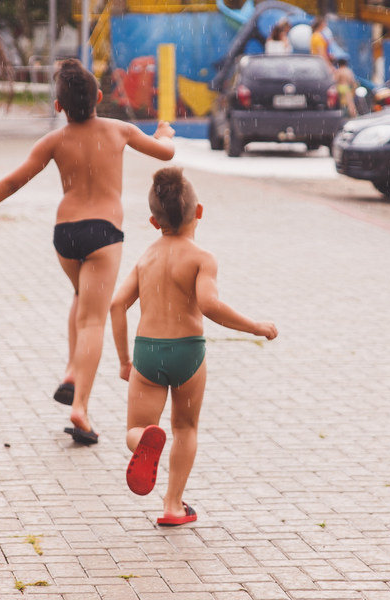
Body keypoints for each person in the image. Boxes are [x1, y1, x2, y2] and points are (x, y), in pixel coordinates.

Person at [0, 59, 176, 444]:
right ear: (99, 97)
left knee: (83, 296)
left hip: (65, 235)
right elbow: (165, 154)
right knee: (93, 321)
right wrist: (164, 132)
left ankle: (70, 370)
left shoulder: (53, 141)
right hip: (103, 233)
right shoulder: (120, 130)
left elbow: (13, 182)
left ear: (58, 106)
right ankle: (80, 405)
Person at [110, 167, 278, 526]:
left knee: (135, 428)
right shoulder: (202, 258)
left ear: (154, 222)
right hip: (187, 352)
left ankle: (143, 440)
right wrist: (255, 326)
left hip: (148, 352)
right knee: (185, 428)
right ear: (198, 212)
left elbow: (115, 305)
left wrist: (125, 359)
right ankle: (173, 506)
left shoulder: (146, 258)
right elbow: (209, 305)